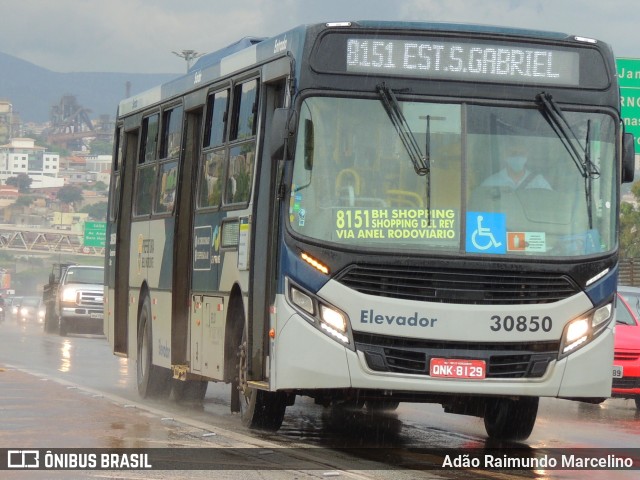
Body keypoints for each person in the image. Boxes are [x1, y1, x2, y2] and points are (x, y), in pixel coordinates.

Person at [481, 148, 552, 190]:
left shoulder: (539, 182)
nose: (518, 157)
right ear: (504, 156)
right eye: (513, 154)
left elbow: (551, 203)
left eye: (521, 154)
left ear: (527, 156)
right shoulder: (491, 182)